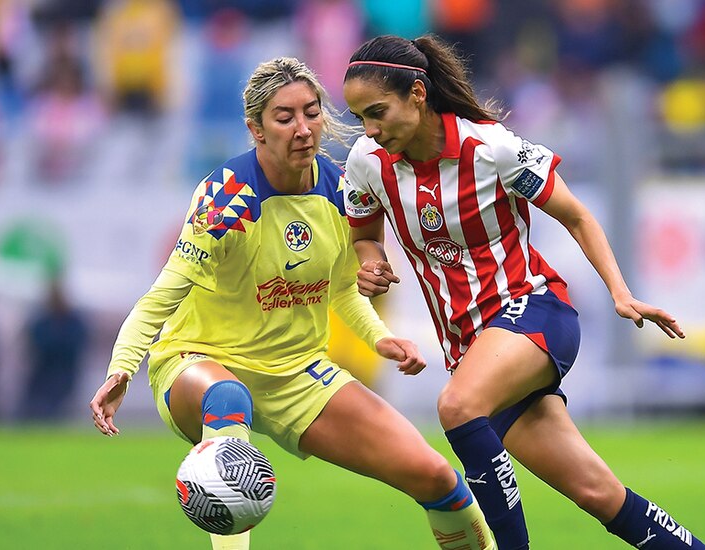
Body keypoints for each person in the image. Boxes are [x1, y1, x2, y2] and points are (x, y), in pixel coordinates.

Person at [88, 57, 494, 550]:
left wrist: (379, 338)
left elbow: (340, 287)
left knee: (436, 478)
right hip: (198, 360)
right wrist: (122, 369)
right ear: (255, 129)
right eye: (285, 117)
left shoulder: (343, 188)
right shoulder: (227, 197)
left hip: (298, 371)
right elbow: (163, 294)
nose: (303, 129)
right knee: (229, 399)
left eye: (312, 111)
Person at [342, 35, 705, 550]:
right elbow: (363, 236)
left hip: (533, 310)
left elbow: (577, 215)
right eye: (360, 116)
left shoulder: (491, 147)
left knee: (456, 407)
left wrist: (620, 293)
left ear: (418, 94)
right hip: (471, 349)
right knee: (599, 493)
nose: (370, 129)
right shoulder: (366, 161)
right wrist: (372, 262)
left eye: (377, 112)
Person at [21, 278, 89, 422]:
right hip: (43, 374)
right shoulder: (42, 321)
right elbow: (35, 344)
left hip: (65, 374)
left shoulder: (73, 322)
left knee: (57, 412)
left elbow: (73, 346)